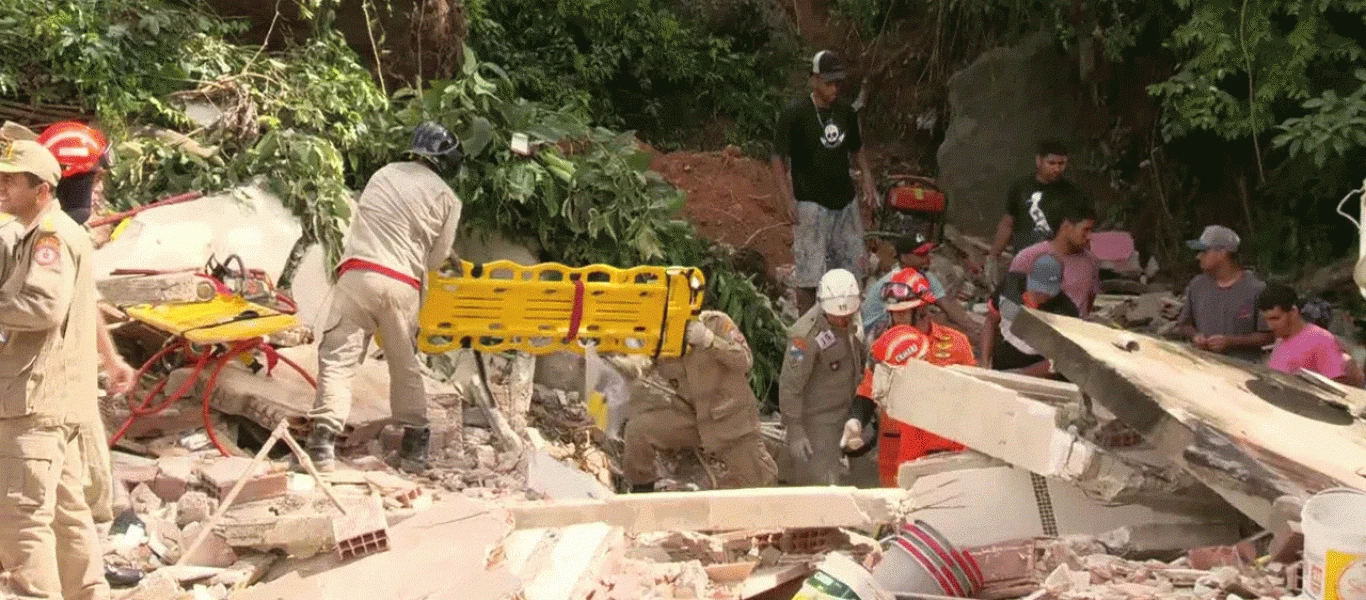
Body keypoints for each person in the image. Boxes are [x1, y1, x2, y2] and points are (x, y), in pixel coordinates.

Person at [303, 122, 463, 474]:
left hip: (357, 275)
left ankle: (321, 446)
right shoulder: (449, 200)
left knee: (338, 360)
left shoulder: (383, 174)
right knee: (403, 364)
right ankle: (415, 445)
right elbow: (434, 262)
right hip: (402, 285)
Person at [0, 138, 109, 599]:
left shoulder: (48, 237)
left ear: (41, 188)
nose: (2, 187)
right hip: (57, 401)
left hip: (36, 402)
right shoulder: (46, 232)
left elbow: (44, 306)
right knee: (68, 519)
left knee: (23, 525)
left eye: (11, 180)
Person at [841, 268, 975, 486]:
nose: (897, 321)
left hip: (944, 447)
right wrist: (856, 421)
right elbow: (868, 391)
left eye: (903, 314)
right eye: (894, 314)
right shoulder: (885, 347)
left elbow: (972, 397)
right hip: (898, 445)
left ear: (922, 311)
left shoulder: (956, 344)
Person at [622, 310, 778, 491]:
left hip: (731, 423)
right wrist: (627, 360)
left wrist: (710, 341)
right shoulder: (658, 333)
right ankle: (642, 492)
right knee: (638, 430)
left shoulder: (716, 322)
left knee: (761, 482)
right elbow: (643, 367)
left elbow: (745, 360)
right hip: (691, 418)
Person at [772, 50, 878, 314]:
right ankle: (808, 324)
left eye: (837, 83)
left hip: (844, 200)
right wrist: (788, 199)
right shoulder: (794, 115)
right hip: (810, 202)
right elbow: (777, 158)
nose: (834, 89)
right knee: (809, 275)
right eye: (828, 83)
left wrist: (868, 181)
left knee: (855, 268)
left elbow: (856, 149)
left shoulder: (845, 112)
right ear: (814, 80)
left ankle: (850, 320)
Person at [779, 268, 864, 485]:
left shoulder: (852, 318)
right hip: (819, 422)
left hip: (849, 411)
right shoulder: (803, 337)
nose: (843, 320)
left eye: (847, 316)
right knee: (823, 484)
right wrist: (795, 431)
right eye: (838, 316)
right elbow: (791, 385)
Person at [1177, 225, 1273, 362]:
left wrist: (1231, 342)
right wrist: (1195, 336)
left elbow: (1269, 335)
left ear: (1222, 253)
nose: (1198, 256)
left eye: (1204, 251)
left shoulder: (1256, 288)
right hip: (1202, 366)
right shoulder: (1197, 285)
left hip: (1242, 371)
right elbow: (1184, 324)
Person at [985, 140, 1084, 272]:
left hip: (1056, 264)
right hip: (1023, 262)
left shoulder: (1071, 193)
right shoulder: (1021, 188)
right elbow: (1008, 224)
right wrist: (992, 257)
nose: (1057, 169)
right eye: (1051, 163)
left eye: (1061, 164)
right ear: (1039, 161)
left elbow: (1078, 231)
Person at [861, 233, 975, 339]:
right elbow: (917, 320)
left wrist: (972, 327)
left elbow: (947, 304)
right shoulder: (897, 283)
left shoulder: (923, 274)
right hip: (876, 334)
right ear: (904, 257)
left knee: (945, 318)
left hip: (902, 324)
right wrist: (966, 334)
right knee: (937, 322)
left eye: (927, 253)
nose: (928, 258)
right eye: (921, 254)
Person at [982, 254, 1079, 376]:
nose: (1043, 296)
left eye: (1048, 292)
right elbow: (991, 321)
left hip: (1036, 378)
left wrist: (1022, 374)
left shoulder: (1066, 313)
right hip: (998, 366)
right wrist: (985, 361)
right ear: (1029, 276)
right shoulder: (1010, 286)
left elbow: (1058, 361)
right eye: (1038, 290)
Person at [1007, 201, 1099, 318]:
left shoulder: (1091, 261)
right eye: (1086, 230)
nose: (1090, 236)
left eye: (1092, 230)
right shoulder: (1028, 258)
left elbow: (1089, 302)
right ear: (1066, 227)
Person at [1259, 284, 1363, 386]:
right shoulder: (1280, 340)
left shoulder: (1320, 339)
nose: (1270, 326)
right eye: (1266, 320)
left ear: (1293, 312)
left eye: (1275, 319)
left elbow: (1340, 386)